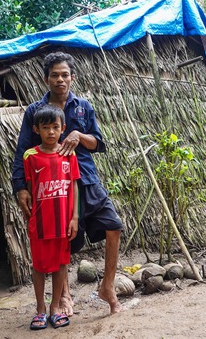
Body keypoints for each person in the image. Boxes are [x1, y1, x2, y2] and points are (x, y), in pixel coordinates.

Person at [12, 52, 124, 316]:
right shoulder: (35, 112)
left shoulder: (84, 106)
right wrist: (21, 187)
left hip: (86, 179)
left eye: (65, 75)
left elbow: (99, 143)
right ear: (45, 79)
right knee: (61, 241)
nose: (60, 80)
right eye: (54, 75)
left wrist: (78, 135)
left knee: (114, 226)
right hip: (53, 189)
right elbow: (22, 152)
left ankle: (108, 287)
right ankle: (63, 296)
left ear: (72, 78)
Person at [23, 104, 80, 330]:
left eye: (55, 127)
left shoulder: (69, 154)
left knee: (61, 264)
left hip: (63, 222)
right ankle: (40, 309)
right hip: (40, 223)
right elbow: (29, 191)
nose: (51, 132)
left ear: (63, 128)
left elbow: (74, 186)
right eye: (45, 127)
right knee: (39, 266)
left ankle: (55, 307)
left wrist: (74, 217)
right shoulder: (31, 156)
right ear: (36, 129)